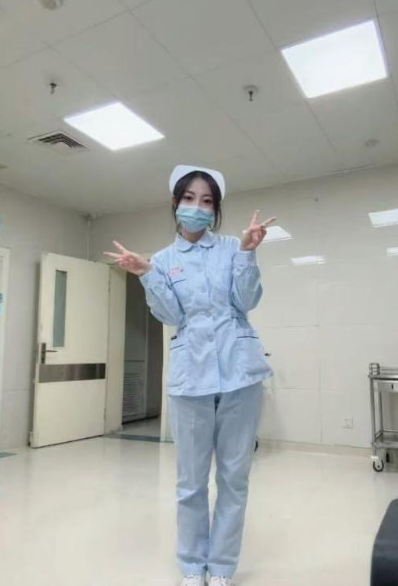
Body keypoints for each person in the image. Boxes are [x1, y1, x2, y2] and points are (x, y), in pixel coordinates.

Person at [105, 165, 275, 586]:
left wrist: (248, 253)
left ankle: (221, 568)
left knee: (234, 478)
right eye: (189, 198)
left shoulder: (233, 248)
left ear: (215, 209)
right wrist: (147, 274)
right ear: (175, 203)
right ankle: (192, 566)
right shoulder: (162, 261)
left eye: (207, 201)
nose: (197, 207)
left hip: (240, 374)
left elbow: (246, 301)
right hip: (190, 379)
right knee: (191, 482)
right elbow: (170, 315)